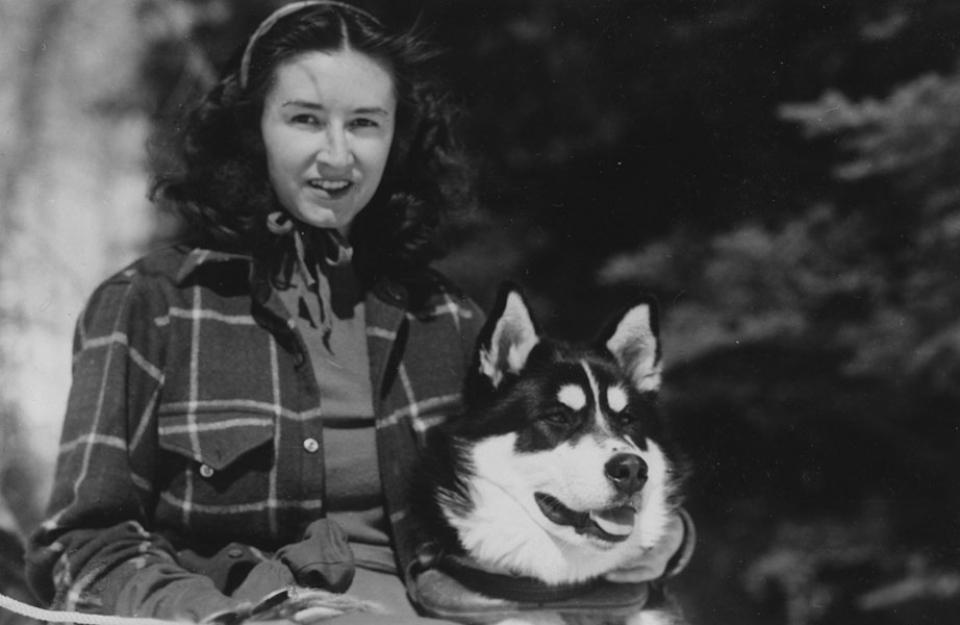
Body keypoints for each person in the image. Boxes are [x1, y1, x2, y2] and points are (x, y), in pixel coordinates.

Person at [25, 2, 692, 623]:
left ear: (396, 138)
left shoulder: (444, 318)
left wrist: (664, 537)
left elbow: (543, 478)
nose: (338, 155)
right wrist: (225, 615)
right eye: (305, 119)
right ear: (252, 128)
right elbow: (84, 545)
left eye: (365, 123)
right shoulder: (150, 307)